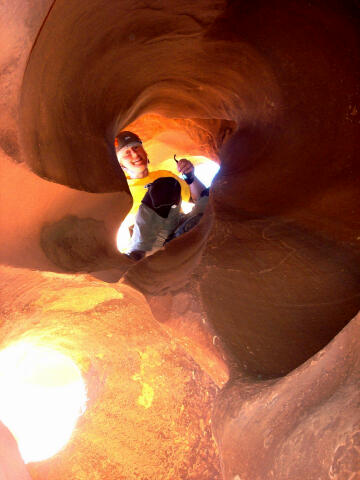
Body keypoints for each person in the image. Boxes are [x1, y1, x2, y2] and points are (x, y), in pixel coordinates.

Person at [115, 131, 209, 260]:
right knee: (164, 185)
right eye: (127, 152)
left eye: (136, 147)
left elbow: (201, 199)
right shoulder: (121, 189)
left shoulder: (166, 175)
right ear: (120, 164)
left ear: (144, 151)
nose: (135, 154)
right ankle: (142, 251)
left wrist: (190, 177)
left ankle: (177, 237)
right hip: (145, 237)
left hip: (174, 226)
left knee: (214, 194)